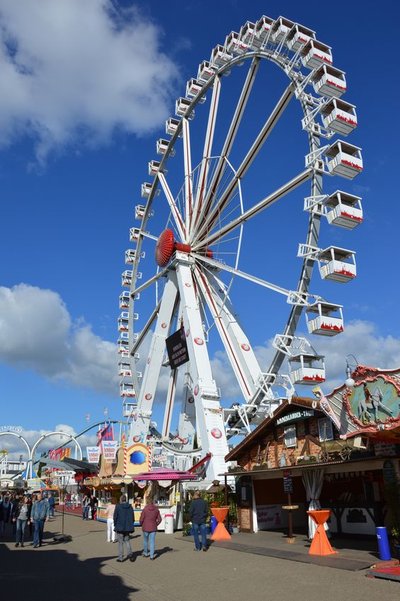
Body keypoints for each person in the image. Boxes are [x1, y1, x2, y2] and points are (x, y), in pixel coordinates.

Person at [113, 495, 135, 562]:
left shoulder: (118, 506)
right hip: (128, 527)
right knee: (127, 541)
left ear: (121, 500)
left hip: (120, 527)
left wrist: (115, 524)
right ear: (126, 500)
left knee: (120, 543)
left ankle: (120, 558)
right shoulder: (130, 507)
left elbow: (115, 517)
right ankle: (130, 554)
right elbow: (133, 517)